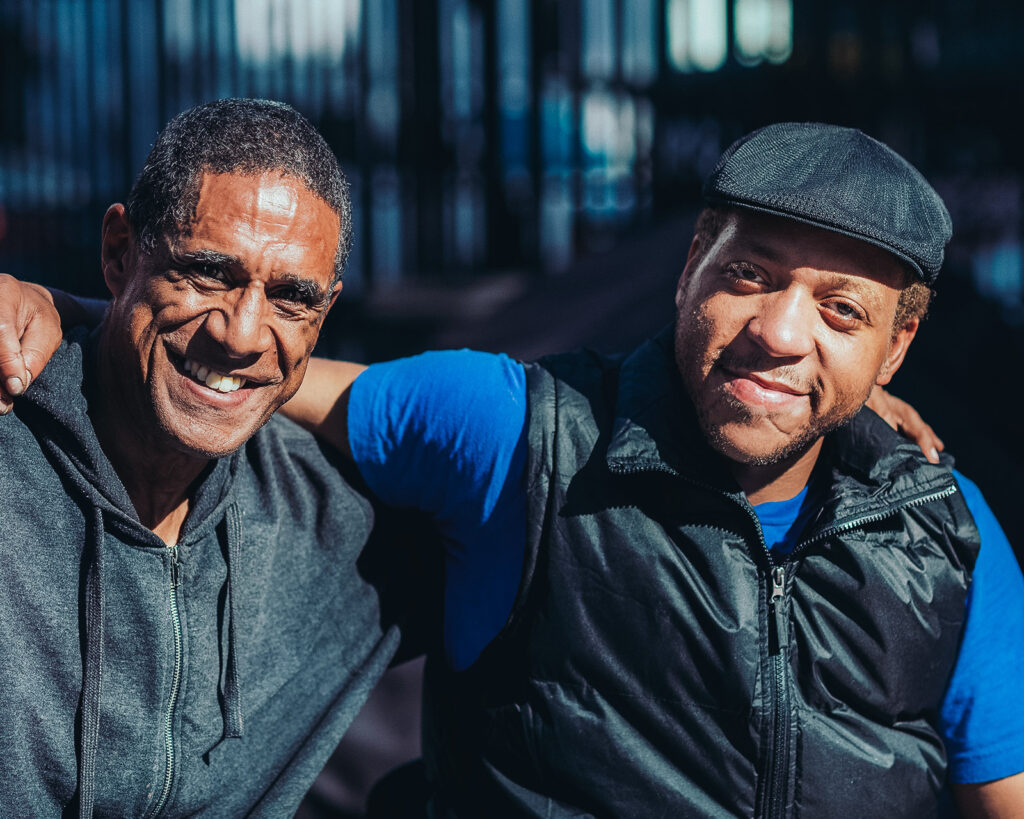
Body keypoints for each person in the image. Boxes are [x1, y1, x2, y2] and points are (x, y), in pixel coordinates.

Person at [5, 124, 1022, 816]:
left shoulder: (948, 532)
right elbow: (258, 362)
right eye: (747, 276)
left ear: (897, 348)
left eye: (840, 311)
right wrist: (55, 314)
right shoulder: (510, 430)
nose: (778, 332)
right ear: (688, 270)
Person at [0, 98, 431, 816]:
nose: (242, 332)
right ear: (119, 253)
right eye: (207, 273)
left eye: (293, 298)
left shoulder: (335, 522)